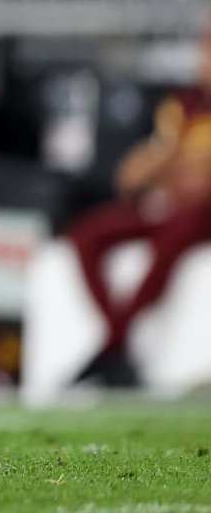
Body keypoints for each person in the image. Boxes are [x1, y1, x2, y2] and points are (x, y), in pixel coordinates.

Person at [68, 34, 211, 386]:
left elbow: (199, 181)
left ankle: (113, 347)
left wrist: (175, 167)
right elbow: (130, 178)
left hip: (198, 212)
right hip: (171, 204)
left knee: (174, 237)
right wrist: (167, 163)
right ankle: (118, 344)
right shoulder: (182, 107)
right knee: (87, 234)